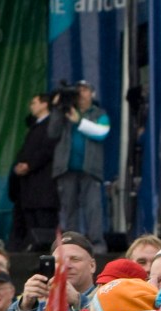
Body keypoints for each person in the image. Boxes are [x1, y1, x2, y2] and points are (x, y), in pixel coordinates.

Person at [49, 82, 110, 253]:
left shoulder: (99, 113)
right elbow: (52, 132)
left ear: (92, 93)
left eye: (85, 90)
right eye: (78, 90)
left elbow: (102, 132)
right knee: (69, 208)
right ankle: (71, 245)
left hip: (90, 170)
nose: (81, 93)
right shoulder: (65, 112)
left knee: (93, 208)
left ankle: (97, 244)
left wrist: (79, 121)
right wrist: (56, 109)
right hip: (66, 169)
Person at [8, 93, 59, 252]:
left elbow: (47, 149)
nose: (31, 106)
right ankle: (30, 248)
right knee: (30, 222)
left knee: (44, 223)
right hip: (30, 189)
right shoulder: (34, 127)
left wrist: (29, 165)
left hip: (44, 186)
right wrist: (19, 166)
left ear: (45, 104)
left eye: (34, 102)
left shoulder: (51, 125)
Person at [8, 231, 98, 311]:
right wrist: (24, 307)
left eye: (75, 259)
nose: (66, 266)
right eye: (59, 261)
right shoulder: (40, 308)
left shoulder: (107, 297)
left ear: (92, 266)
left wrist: (78, 301)